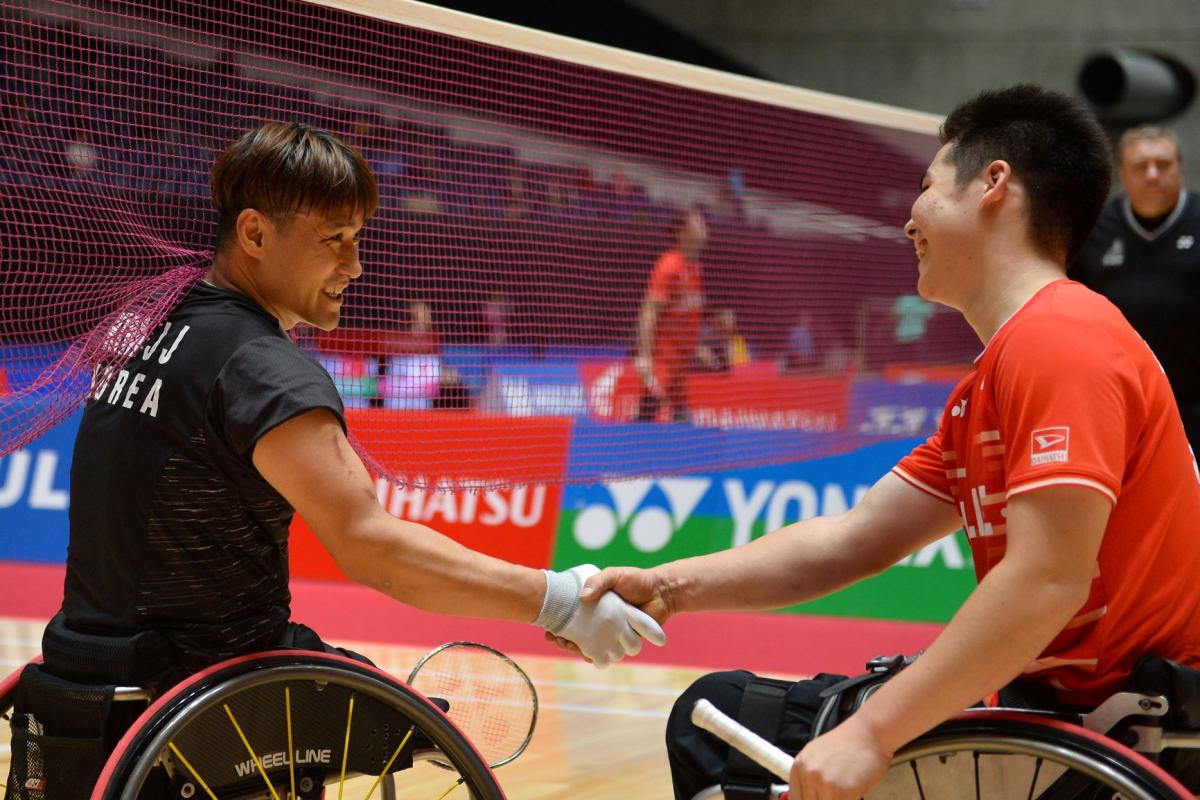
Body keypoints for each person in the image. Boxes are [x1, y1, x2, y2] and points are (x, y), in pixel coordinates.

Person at [562, 86, 1200, 800]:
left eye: (926, 188)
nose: (907, 222)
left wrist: (873, 733)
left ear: (994, 184)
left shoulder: (1062, 340)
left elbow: (1047, 581)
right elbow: (855, 538)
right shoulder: (985, 388)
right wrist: (667, 588)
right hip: (1061, 718)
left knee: (716, 728)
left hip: (1112, 739)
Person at [10, 122, 664, 797]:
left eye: (359, 239)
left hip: (76, 687)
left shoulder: (141, 326)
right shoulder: (263, 367)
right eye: (335, 239)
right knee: (405, 721)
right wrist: (559, 602)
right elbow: (371, 546)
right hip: (211, 708)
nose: (355, 265)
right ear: (256, 235)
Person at [1070, 125, 1200, 454]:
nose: (1153, 175)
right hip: (1122, 404)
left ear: (1181, 168)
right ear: (1123, 175)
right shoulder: (1095, 229)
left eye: (1163, 164)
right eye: (1141, 166)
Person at [636, 209, 707, 422]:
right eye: (698, 224)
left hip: (682, 362)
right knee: (648, 414)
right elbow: (649, 312)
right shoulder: (669, 265)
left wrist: (697, 347)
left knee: (682, 418)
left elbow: (687, 316)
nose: (705, 228)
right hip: (663, 358)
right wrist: (644, 356)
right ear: (681, 233)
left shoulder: (695, 267)